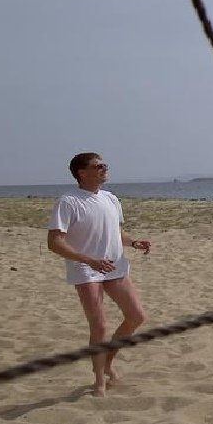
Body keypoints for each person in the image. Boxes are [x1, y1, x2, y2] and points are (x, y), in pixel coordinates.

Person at [46, 153, 150, 396]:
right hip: (86, 268)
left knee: (136, 316)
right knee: (100, 327)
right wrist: (89, 260)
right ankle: (99, 381)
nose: (105, 169)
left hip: (114, 266)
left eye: (105, 165)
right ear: (82, 172)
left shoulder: (111, 198)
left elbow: (116, 232)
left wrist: (133, 242)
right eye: (98, 166)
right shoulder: (69, 201)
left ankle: (107, 365)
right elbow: (54, 242)